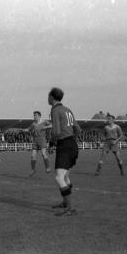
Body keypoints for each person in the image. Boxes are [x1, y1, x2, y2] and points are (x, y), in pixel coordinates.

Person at [47, 87, 81, 217]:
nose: (47, 98)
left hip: (64, 145)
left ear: (52, 97)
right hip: (72, 144)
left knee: (59, 177)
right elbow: (78, 129)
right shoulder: (67, 110)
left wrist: (51, 143)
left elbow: (56, 132)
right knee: (66, 177)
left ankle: (70, 208)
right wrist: (71, 140)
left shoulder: (55, 110)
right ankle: (65, 203)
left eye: (48, 96)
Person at [28, 111, 52, 177]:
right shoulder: (33, 124)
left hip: (42, 139)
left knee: (43, 153)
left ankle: (48, 168)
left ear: (39, 116)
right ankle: (33, 170)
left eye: (35, 115)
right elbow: (29, 129)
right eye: (34, 115)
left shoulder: (44, 121)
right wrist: (24, 130)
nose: (34, 117)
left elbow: (51, 125)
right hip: (35, 140)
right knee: (33, 155)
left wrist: (46, 127)